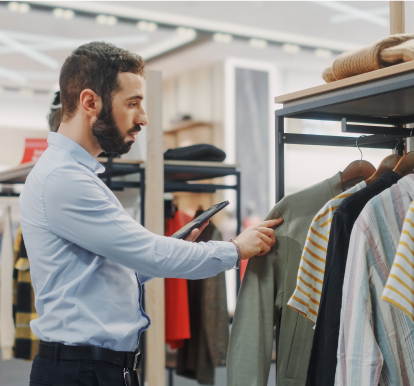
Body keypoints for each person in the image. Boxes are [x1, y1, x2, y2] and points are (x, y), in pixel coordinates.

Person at [20, 42, 282, 386]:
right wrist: (234, 250)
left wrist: (175, 248)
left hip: (96, 368)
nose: (143, 118)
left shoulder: (76, 175)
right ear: (89, 102)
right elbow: (150, 253)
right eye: (133, 104)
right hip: (82, 371)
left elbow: (107, 273)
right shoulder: (64, 179)